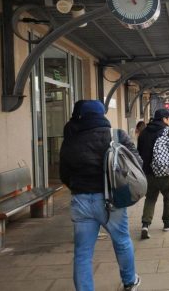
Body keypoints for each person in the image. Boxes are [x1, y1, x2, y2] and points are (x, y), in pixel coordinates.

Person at [59, 100, 141, 291]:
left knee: (82, 253)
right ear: (101, 115)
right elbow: (136, 162)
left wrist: (78, 187)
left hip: (81, 201)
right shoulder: (116, 136)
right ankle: (129, 281)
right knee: (121, 241)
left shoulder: (70, 139)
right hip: (111, 200)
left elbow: (63, 174)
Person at [137, 109, 169, 239]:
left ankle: (145, 224)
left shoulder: (143, 132)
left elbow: (139, 151)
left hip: (149, 172)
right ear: (164, 119)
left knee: (150, 198)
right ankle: (167, 223)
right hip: (165, 171)